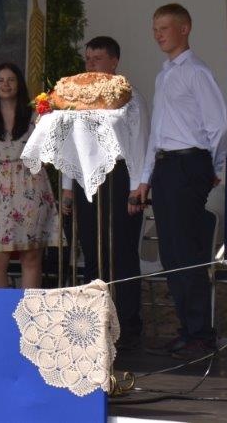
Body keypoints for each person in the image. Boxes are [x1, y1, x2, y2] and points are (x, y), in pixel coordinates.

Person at [132, 4, 227, 360]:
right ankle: (188, 330)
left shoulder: (196, 72)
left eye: (164, 27)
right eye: (154, 28)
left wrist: (214, 165)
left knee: (187, 251)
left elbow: (220, 125)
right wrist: (145, 178)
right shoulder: (164, 75)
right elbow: (157, 134)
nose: (157, 34)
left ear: (184, 29)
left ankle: (200, 334)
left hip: (189, 163)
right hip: (166, 166)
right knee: (172, 253)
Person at [59, 37, 149, 348]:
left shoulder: (130, 98)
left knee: (121, 251)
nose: (91, 64)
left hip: (120, 176)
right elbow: (71, 147)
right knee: (92, 249)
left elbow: (139, 142)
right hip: (86, 176)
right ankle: (93, 320)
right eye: (87, 59)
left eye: (97, 58)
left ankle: (128, 323)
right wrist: (67, 189)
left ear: (114, 61)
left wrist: (137, 187)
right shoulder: (79, 100)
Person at [0, 63, 59, 289]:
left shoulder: (36, 116)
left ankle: (28, 310)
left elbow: (51, 152)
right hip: (0, 193)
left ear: (19, 84)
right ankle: (0, 310)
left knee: (31, 258)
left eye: (11, 80)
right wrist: (3, 173)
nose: (6, 84)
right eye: (1, 80)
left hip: (32, 189)